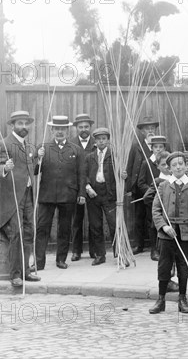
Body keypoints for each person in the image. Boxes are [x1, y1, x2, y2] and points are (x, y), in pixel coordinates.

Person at [0, 111, 42, 287]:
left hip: (27, 195)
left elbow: (30, 168)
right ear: (12, 125)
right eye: (20, 124)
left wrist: (38, 158)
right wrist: (5, 166)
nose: (24, 127)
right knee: (17, 234)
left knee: (29, 232)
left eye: (26, 124)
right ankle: (15, 275)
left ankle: (26, 271)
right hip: (12, 199)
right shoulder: (4, 144)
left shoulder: (29, 146)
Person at [149, 152, 188, 314]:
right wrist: (164, 227)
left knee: (183, 267)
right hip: (167, 234)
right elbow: (156, 210)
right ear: (169, 168)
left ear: (187, 166)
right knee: (164, 266)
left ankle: (183, 299)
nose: (178, 167)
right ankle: (161, 300)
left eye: (181, 164)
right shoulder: (163, 186)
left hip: (186, 233)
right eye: (174, 165)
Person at [35, 116, 86, 270]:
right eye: (57, 129)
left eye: (63, 129)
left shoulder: (76, 149)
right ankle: (38, 262)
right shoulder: (43, 148)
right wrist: (38, 158)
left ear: (67, 130)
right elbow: (35, 171)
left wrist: (81, 193)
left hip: (68, 195)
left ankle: (61, 259)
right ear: (52, 130)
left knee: (64, 229)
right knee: (42, 228)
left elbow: (81, 174)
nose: (59, 132)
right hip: (47, 195)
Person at [142, 150, 179, 292]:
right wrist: (162, 207)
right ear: (158, 166)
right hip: (162, 224)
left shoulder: (176, 179)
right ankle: (166, 280)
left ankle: (173, 275)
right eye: (163, 164)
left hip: (175, 222)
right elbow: (147, 198)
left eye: (168, 164)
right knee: (165, 254)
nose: (166, 167)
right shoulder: (158, 181)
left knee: (175, 252)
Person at [84, 128, 120, 266]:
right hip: (93, 194)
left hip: (109, 194)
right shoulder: (90, 157)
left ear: (108, 140)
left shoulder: (114, 155)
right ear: (95, 141)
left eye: (104, 139)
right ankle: (100, 255)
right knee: (95, 225)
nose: (101, 141)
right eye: (98, 139)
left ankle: (119, 253)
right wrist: (88, 187)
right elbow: (84, 174)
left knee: (114, 224)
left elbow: (120, 173)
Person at [126, 115, 161, 255]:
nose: (150, 131)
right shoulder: (136, 146)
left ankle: (156, 247)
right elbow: (130, 167)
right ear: (142, 131)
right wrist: (129, 187)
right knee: (139, 218)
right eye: (147, 129)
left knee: (154, 218)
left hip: (158, 188)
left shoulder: (162, 145)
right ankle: (138, 245)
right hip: (140, 187)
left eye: (152, 128)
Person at [69, 113, 97, 261]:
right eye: (80, 127)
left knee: (94, 220)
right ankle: (76, 251)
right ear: (76, 128)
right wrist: (84, 185)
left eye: (86, 126)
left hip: (94, 188)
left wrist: (90, 185)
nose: (84, 129)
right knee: (77, 220)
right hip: (78, 188)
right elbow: (71, 168)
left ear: (90, 127)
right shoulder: (71, 143)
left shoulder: (97, 142)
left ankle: (94, 250)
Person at [137, 135, 169, 261]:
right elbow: (141, 183)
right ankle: (154, 250)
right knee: (153, 225)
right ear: (152, 148)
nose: (158, 149)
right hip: (153, 200)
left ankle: (164, 249)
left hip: (167, 200)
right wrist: (153, 194)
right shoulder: (146, 163)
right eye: (156, 147)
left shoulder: (168, 163)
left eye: (161, 147)